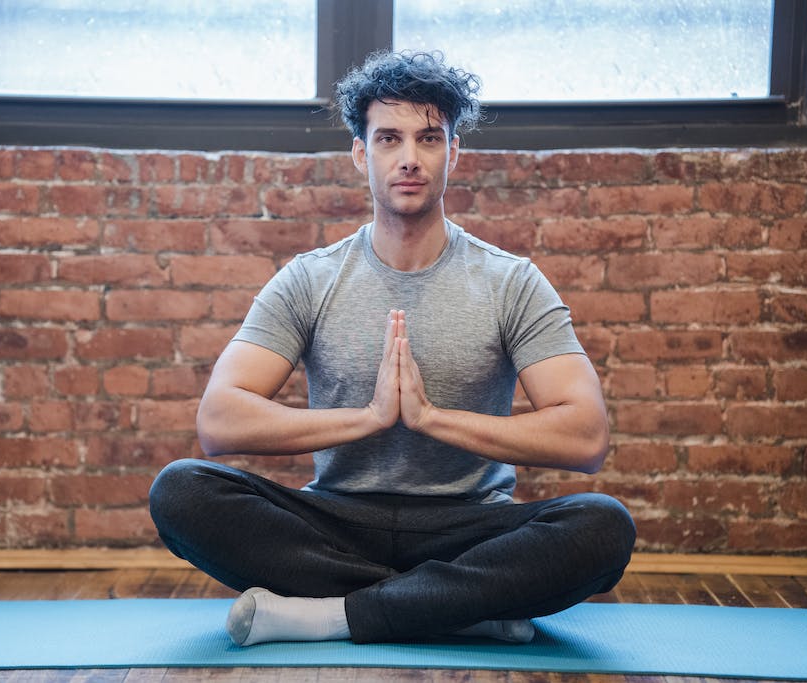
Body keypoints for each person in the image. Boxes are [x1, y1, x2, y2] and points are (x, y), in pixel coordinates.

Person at [149, 50, 636, 647]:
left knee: (602, 527)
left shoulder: (511, 282)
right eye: (389, 139)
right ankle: (457, 606)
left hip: (472, 526)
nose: (409, 158)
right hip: (338, 523)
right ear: (361, 153)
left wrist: (432, 419)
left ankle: (336, 615)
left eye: (429, 138)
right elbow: (219, 421)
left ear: (453, 152)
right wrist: (370, 418)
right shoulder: (310, 279)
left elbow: (586, 437)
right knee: (181, 490)